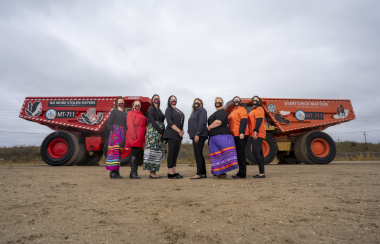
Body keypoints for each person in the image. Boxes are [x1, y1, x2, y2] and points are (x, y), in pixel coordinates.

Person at [208, 97, 239, 178]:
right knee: (218, 155)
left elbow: (218, 122)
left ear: (222, 103)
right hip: (214, 137)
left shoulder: (222, 111)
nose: (217, 102)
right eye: (216, 101)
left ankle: (223, 172)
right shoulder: (215, 112)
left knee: (222, 154)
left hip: (222, 136)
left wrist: (209, 127)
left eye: (219, 101)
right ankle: (221, 172)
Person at [143, 94, 165, 179]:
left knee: (157, 152)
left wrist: (163, 132)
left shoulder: (159, 110)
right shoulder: (151, 108)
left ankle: (155, 172)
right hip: (153, 131)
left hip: (159, 132)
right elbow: (152, 120)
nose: (157, 99)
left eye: (158, 98)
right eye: (155, 98)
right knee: (152, 151)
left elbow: (162, 122)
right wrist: (160, 131)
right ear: (152, 100)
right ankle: (151, 173)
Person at [163, 95, 185, 179]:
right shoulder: (168, 109)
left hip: (178, 135)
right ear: (169, 101)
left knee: (176, 153)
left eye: (175, 99)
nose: (173, 100)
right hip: (171, 133)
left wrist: (182, 130)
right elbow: (170, 123)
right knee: (171, 153)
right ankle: (170, 173)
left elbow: (180, 123)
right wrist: (179, 130)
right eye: (172, 99)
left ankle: (174, 172)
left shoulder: (178, 110)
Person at [228, 96, 249, 179]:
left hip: (240, 135)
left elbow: (244, 121)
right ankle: (240, 172)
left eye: (238, 100)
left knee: (241, 154)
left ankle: (242, 174)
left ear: (240, 101)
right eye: (235, 100)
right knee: (238, 154)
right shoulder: (233, 111)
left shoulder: (242, 109)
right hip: (234, 135)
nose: (236, 101)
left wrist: (242, 132)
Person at [106, 97, 127, 179]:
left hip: (123, 133)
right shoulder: (114, 111)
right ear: (117, 103)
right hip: (116, 133)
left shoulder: (125, 113)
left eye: (122, 101)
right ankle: (112, 172)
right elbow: (108, 123)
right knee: (114, 152)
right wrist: (114, 129)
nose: (121, 103)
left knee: (119, 152)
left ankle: (117, 171)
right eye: (120, 101)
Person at [125, 100, 147, 179]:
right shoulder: (130, 113)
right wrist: (134, 136)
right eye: (136, 104)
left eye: (139, 104)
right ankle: (133, 173)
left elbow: (144, 128)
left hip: (140, 138)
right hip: (134, 137)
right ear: (133, 106)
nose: (137, 105)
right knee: (134, 154)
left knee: (137, 155)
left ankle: (133, 173)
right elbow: (130, 125)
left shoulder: (142, 116)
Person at [187, 98, 208, 179]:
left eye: (198, 102)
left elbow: (202, 122)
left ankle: (199, 173)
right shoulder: (194, 113)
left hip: (199, 134)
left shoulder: (202, 110)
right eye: (195, 102)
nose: (196, 103)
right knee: (199, 153)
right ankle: (203, 173)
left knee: (197, 153)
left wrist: (197, 134)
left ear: (201, 104)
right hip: (196, 135)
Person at [248, 96, 266, 178]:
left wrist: (256, 130)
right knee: (260, 153)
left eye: (256, 100)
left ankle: (262, 173)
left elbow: (259, 119)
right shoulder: (253, 110)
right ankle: (262, 172)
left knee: (255, 152)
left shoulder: (259, 108)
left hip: (258, 133)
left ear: (259, 102)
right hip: (253, 133)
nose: (254, 101)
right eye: (253, 100)